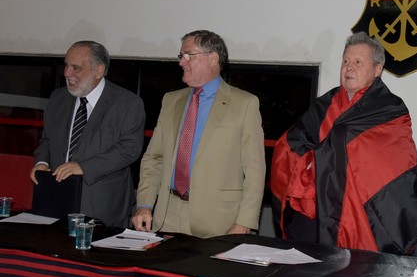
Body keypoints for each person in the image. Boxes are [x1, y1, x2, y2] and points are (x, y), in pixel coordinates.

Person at [271, 32, 417, 254]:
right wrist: (311, 164)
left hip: (363, 215)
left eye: (358, 62)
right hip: (316, 210)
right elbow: (290, 144)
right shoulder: (324, 105)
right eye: (345, 61)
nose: (349, 67)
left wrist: (324, 157)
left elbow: (393, 166)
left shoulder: (389, 110)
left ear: (377, 70)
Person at [132, 30, 265, 238]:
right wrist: (144, 204)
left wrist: (244, 222)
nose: (181, 62)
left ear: (212, 59)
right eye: (181, 56)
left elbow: (255, 170)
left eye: (188, 55)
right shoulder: (170, 101)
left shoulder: (244, 104)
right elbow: (154, 158)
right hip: (168, 216)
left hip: (219, 221)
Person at [31, 41, 145, 227]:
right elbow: (47, 140)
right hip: (58, 200)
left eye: (76, 68)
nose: (67, 73)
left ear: (99, 70)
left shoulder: (127, 103)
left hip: (103, 205)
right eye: (66, 65)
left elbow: (129, 149)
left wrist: (83, 167)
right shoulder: (58, 98)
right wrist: (42, 163)